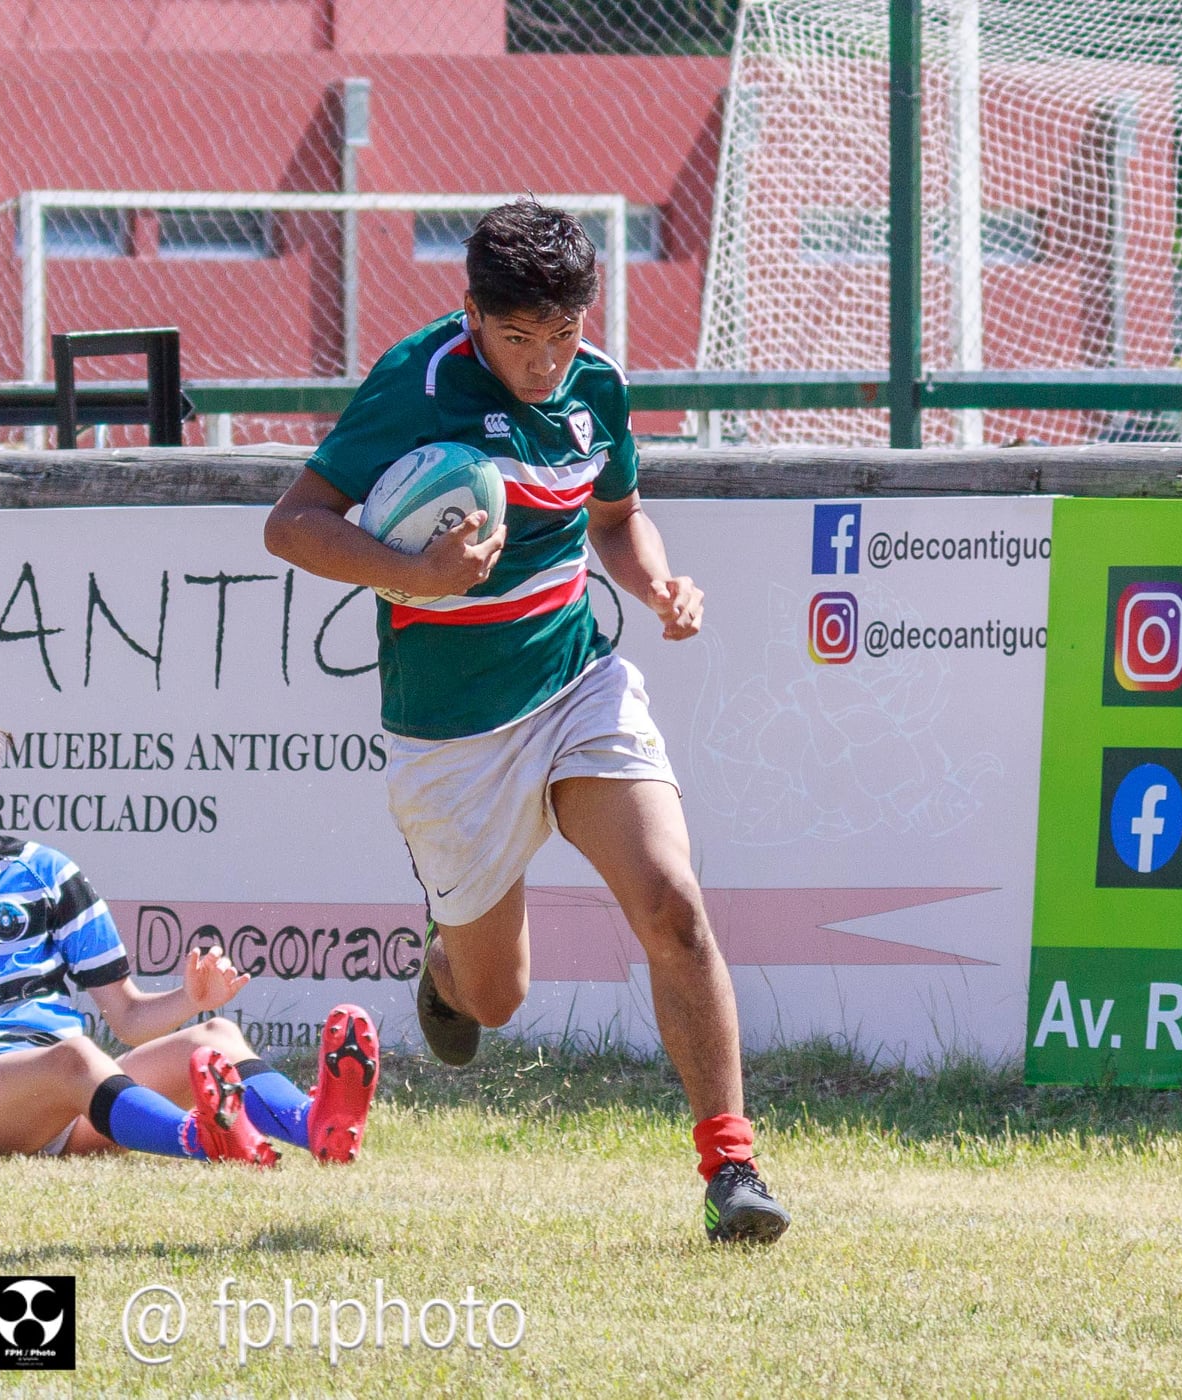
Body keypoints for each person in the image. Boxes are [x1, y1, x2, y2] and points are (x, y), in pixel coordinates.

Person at [262, 199, 789, 1243]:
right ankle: (445, 969)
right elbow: (293, 524)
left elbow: (617, 515)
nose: (544, 361)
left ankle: (732, 1166)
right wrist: (415, 572)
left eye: (562, 335)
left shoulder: (597, 386)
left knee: (673, 899)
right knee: (495, 998)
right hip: (452, 731)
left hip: (576, 681)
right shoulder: (415, 385)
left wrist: (654, 585)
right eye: (517, 339)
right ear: (471, 315)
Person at [0, 668, 380, 1168]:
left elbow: (129, 1019)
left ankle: (318, 1126)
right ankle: (202, 1138)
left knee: (216, 1035)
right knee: (74, 1058)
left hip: (81, 1097)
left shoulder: (45, 873)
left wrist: (191, 998)